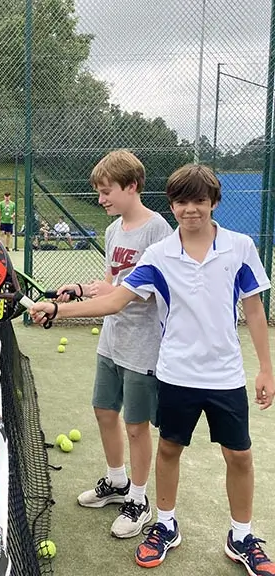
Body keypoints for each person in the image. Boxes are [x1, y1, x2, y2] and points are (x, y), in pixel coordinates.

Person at [32, 164, 275, 575]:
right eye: (182, 202)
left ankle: (241, 535)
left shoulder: (240, 247)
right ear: (173, 205)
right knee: (168, 449)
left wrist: (266, 368)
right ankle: (165, 525)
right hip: (175, 373)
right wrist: (59, 308)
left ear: (213, 202)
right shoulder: (159, 255)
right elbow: (114, 301)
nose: (190, 210)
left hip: (226, 376)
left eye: (199, 201)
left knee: (240, 456)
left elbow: (253, 309)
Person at [56, 150, 172, 539]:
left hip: (143, 346)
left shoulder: (157, 230)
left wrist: (117, 292)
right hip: (112, 340)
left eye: (107, 192)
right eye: (99, 192)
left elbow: (160, 291)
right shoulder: (112, 231)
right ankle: (117, 481)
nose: (101, 199)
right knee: (104, 410)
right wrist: (79, 290)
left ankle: (139, 500)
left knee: (136, 425)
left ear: (132, 186)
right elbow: (110, 281)